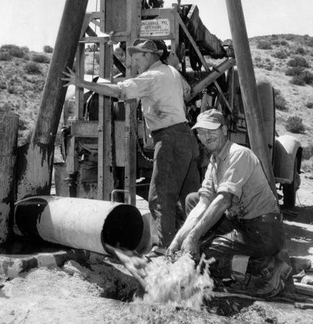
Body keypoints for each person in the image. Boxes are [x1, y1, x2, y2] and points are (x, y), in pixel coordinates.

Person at [62, 39, 200, 256]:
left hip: (170, 139)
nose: (134, 64)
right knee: (191, 198)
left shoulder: (152, 77)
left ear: (149, 55)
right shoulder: (171, 72)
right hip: (187, 137)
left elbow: (119, 91)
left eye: (137, 58)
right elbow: (187, 90)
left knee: (160, 196)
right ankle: (195, 248)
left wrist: (82, 83)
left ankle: (164, 248)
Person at [168, 109, 292, 298]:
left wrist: (193, 237)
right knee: (193, 200)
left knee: (207, 258)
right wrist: (178, 241)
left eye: (212, 131)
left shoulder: (239, 154)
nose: (206, 137)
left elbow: (224, 199)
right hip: (244, 224)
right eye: (201, 132)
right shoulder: (215, 161)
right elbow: (202, 204)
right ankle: (206, 254)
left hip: (264, 230)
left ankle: (267, 267)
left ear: (224, 130)